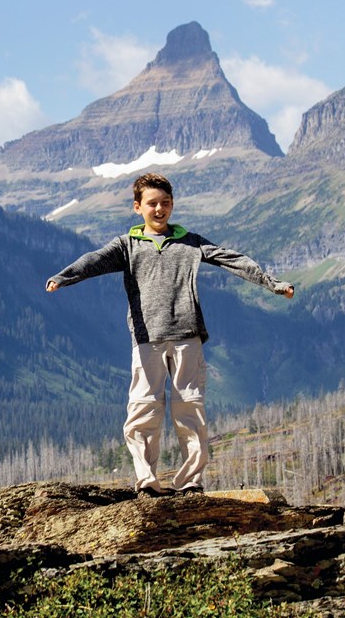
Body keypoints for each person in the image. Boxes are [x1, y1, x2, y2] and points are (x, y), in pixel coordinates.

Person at [46, 172, 294, 497]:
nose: (159, 209)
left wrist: (273, 284)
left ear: (173, 204)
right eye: (152, 204)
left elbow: (232, 259)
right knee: (143, 409)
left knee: (189, 408)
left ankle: (190, 482)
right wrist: (63, 278)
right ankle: (146, 483)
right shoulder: (127, 245)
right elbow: (93, 261)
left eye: (165, 203)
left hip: (187, 336)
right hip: (145, 338)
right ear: (138, 207)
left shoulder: (191, 242)